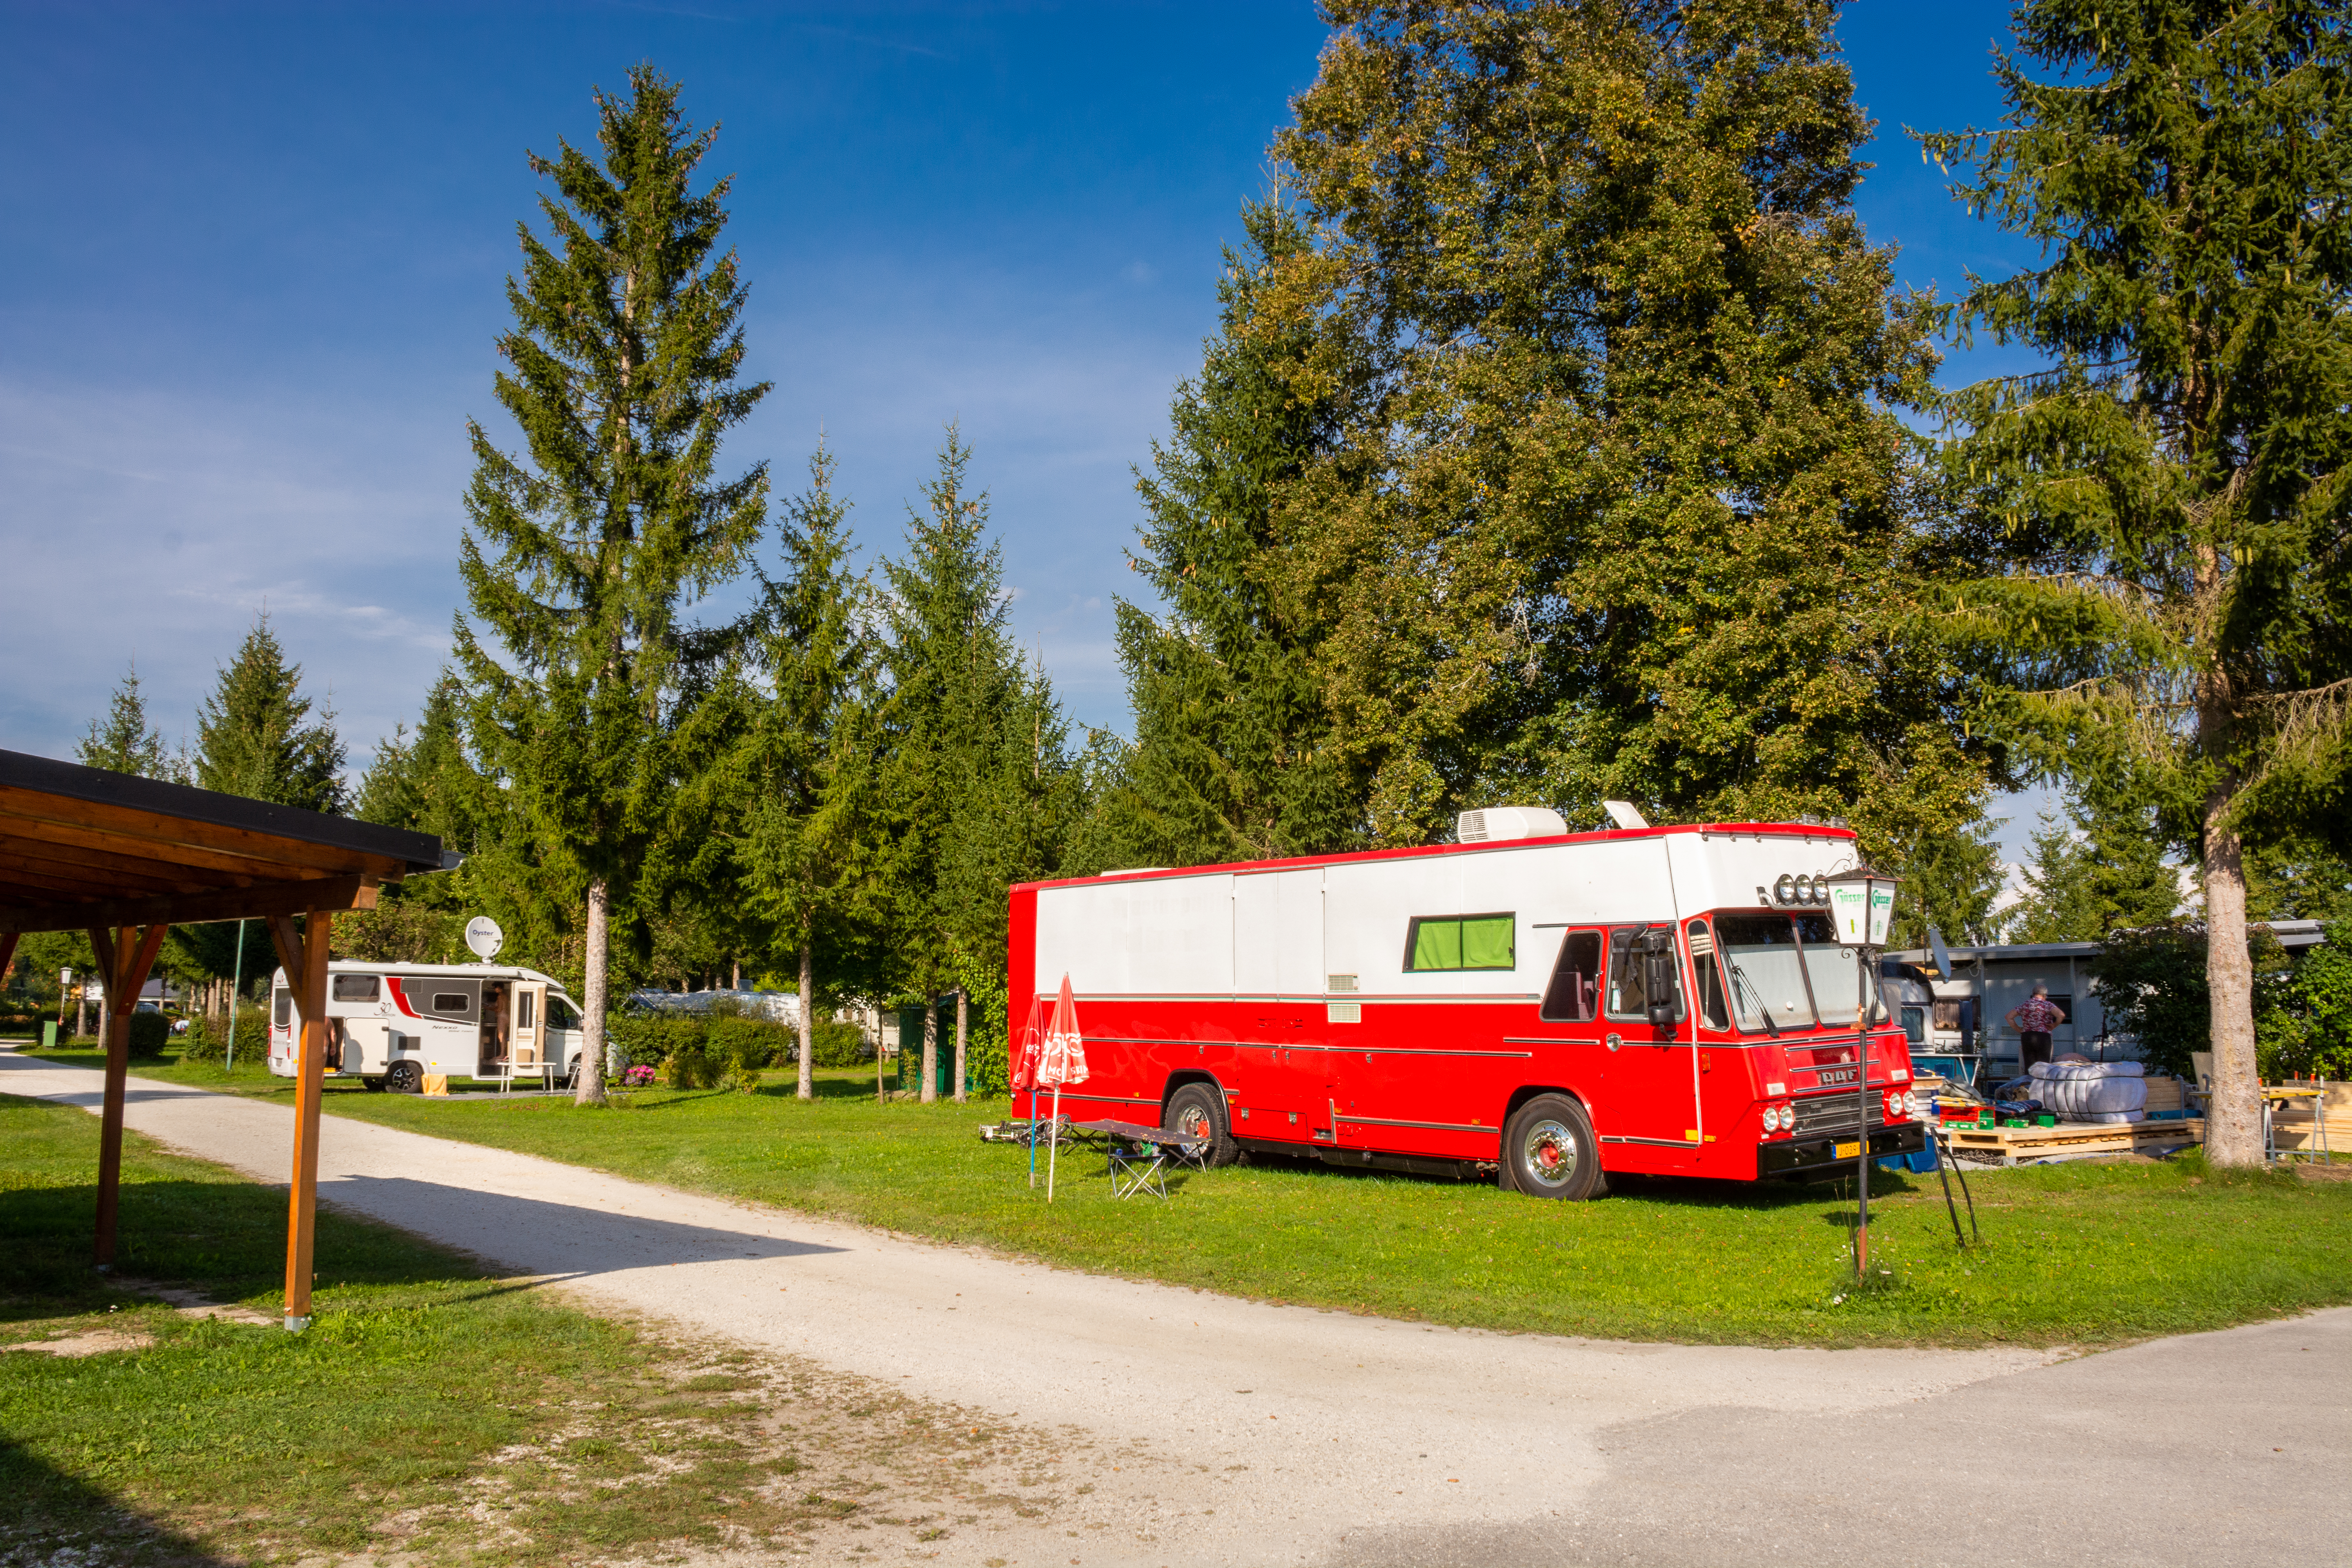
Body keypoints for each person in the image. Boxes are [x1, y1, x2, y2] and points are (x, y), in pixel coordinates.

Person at [2006, 984, 2067, 1072]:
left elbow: (2009, 1017)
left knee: (2030, 1067)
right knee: (2044, 1067)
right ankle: (2041, 1085)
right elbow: (2061, 1015)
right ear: (2045, 995)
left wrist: (2020, 1030)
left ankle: (2029, 1084)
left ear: (2033, 993)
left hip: (2027, 1037)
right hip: (2043, 1037)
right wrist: (2054, 1025)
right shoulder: (2047, 1005)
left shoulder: (2025, 1005)